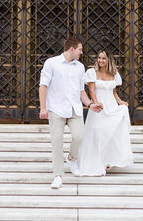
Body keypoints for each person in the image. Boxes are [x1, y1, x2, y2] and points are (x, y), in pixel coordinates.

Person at [39, 35, 101, 189]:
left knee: (79, 136)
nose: (81, 52)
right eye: (80, 49)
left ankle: (72, 158)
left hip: (75, 109)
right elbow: (43, 86)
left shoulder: (80, 67)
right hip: (56, 109)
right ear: (72, 49)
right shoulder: (51, 63)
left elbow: (81, 91)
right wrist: (43, 107)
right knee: (57, 142)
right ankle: (58, 175)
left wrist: (90, 104)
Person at [74, 48, 134, 176]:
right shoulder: (91, 73)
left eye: (103, 58)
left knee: (109, 134)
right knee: (97, 135)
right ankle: (95, 163)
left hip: (111, 106)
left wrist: (120, 102)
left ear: (108, 60)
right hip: (98, 107)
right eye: (99, 58)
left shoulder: (114, 74)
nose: (101, 60)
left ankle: (106, 160)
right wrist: (96, 104)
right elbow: (91, 91)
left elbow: (114, 92)